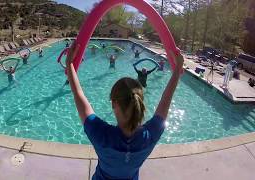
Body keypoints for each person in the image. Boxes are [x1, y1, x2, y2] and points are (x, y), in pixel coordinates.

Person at [65, 43, 184, 180]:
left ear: (114, 104)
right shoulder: (149, 136)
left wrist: (69, 63)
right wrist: (177, 69)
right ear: (140, 102)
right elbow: (166, 99)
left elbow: (78, 94)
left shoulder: (101, 135)